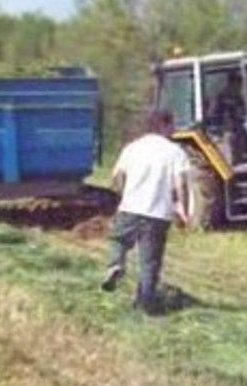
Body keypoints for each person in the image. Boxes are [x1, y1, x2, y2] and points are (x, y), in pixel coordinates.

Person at [100, 110, 190, 314]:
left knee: (118, 240)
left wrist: (124, 195)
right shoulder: (175, 152)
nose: (174, 129)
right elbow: (180, 184)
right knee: (150, 261)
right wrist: (182, 210)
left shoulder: (133, 148)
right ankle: (145, 304)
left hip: (130, 208)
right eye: (172, 125)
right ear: (164, 126)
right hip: (158, 214)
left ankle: (116, 265)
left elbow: (117, 176)